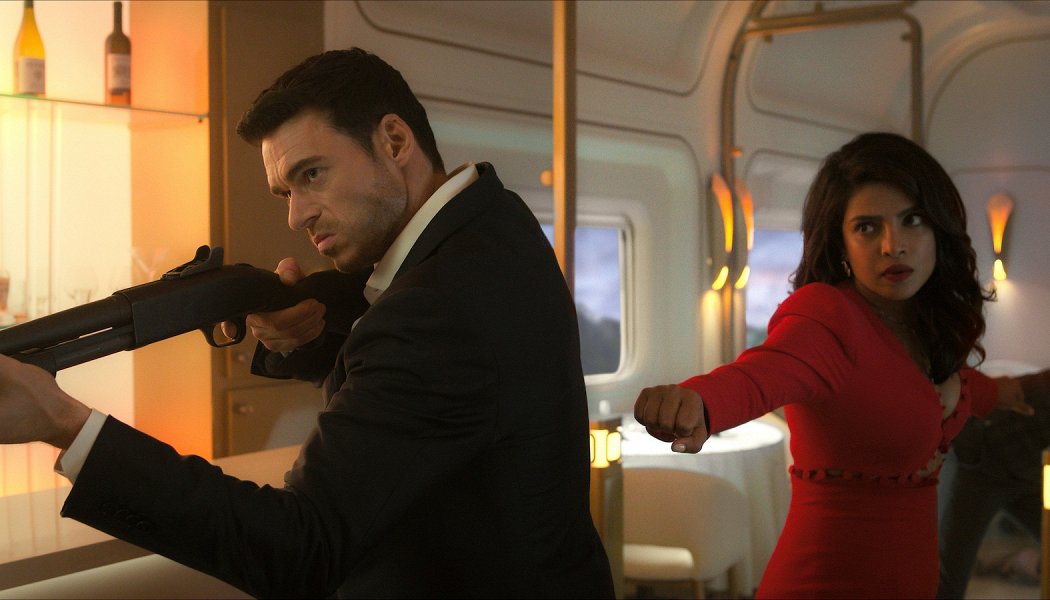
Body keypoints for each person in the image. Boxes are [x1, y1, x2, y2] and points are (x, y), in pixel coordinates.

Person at [0, 48, 614, 599]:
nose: (297, 217)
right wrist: (316, 332)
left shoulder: (435, 308)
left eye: (311, 175)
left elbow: (302, 548)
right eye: (284, 192)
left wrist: (66, 424)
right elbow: (433, 386)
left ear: (394, 141)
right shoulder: (494, 221)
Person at [633, 131, 1033, 598]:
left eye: (912, 220)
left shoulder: (928, 325)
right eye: (867, 227)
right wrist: (699, 402)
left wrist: (1014, 391)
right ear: (841, 243)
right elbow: (759, 374)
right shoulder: (827, 316)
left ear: (939, 230)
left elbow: (961, 386)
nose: (893, 245)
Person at [937, 366, 1050, 598]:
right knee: (949, 575)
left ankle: (998, 563)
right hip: (980, 462)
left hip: (1025, 470)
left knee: (950, 572)